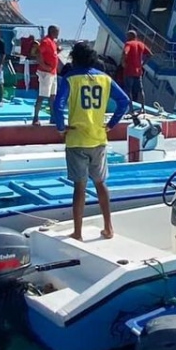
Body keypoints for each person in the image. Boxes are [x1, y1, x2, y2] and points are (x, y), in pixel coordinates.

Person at [52, 41, 129, 240]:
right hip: (98, 138)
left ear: (74, 58)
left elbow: (58, 106)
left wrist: (61, 128)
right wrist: (111, 124)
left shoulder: (70, 78)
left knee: (80, 186)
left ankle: (78, 232)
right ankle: (108, 227)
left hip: (77, 138)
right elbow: (124, 102)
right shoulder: (105, 78)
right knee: (100, 183)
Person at [32, 25, 60, 125]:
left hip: (53, 72)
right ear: (52, 31)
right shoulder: (46, 41)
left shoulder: (53, 42)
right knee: (42, 95)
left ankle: (53, 117)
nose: (58, 34)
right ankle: (35, 117)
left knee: (53, 96)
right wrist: (44, 66)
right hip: (46, 73)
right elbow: (38, 53)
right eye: (57, 32)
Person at [121, 30, 151, 104]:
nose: (126, 37)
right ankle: (143, 108)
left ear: (130, 36)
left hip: (129, 70)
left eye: (127, 36)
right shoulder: (141, 44)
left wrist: (123, 62)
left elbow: (125, 52)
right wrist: (143, 63)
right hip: (138, 71)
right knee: (140, 90)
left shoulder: (128, 43)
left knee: (128, 90)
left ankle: (130, 109)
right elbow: (150, 54)